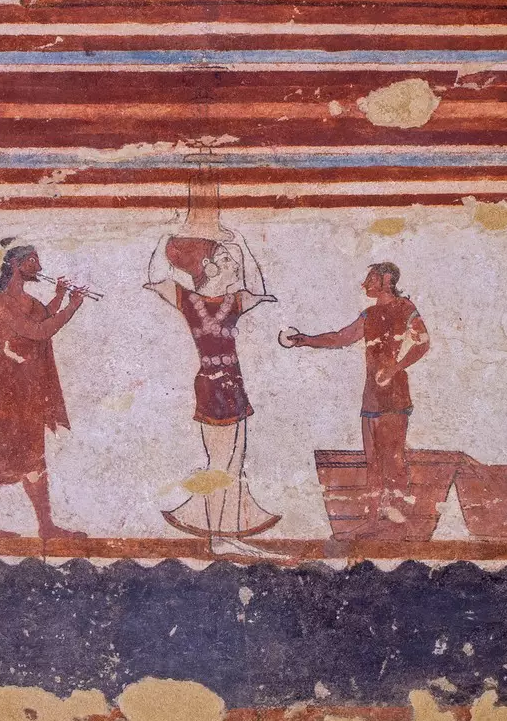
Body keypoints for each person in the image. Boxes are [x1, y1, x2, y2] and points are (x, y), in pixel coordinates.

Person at [147, 229, 279, 544]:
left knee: (235, 462)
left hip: (234, 384)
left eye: (234, 258)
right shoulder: (189, 299)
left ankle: (223, 532)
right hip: (211, 385)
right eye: (226, 258)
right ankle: (217, 537)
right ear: (208, 266)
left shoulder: (235, 300)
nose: (235, 262)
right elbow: (154, 277)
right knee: (220, 462)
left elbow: (262, 290)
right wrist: (167, 235)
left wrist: (244, 242)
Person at [281, 262, 430, 535]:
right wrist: (306, 340)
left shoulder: (405, 308)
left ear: (386, 280)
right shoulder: (369, 314)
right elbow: (341, 337)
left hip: (394, 392)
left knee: (393, 457)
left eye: (371, 278)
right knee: (372, 459)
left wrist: (395, 368)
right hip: (371, 396)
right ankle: (373, 520)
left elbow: (423, 343)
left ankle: (401, 520)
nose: (365, 283)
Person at [0, 244, 87, 539]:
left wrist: (59, 296)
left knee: (34, 454)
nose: (39, 267)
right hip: (7, 391)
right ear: (16, 264)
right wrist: (71, 307)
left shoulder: (27, 300)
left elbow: (41, 320)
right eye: (33, 261)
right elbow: (37, 332)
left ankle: (46, 526)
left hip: (30, 388)